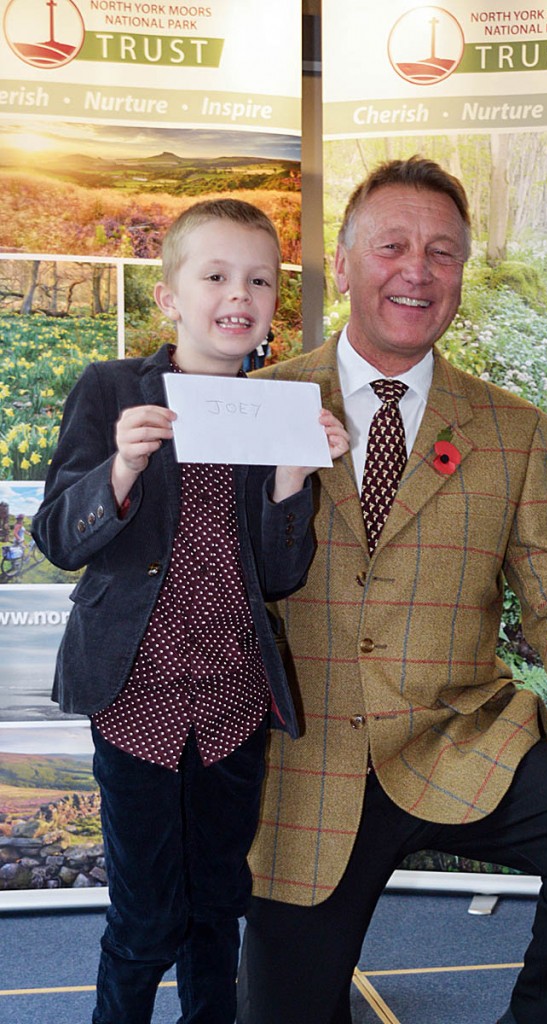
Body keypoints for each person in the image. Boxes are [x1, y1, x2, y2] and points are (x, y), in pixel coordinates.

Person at [237, 157, 547, 1024]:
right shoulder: (260, 402)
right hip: (304, 763)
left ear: (461, 276)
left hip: (460, 740)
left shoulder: (509, 429)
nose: (417, 269)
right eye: (393, 245)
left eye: (442, 252)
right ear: (349, 259)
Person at [31, 197, 349, 1024]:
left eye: (257, 279)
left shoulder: (276, 405)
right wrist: (119, 472)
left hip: (232, 702)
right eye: (214, 275)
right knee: (145, 917)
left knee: (218, 906)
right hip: (135, 697)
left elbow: (279, 576)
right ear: (170, 296)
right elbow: (60, 538)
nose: (236, 294)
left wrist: (291, 479)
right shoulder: (109, 391)